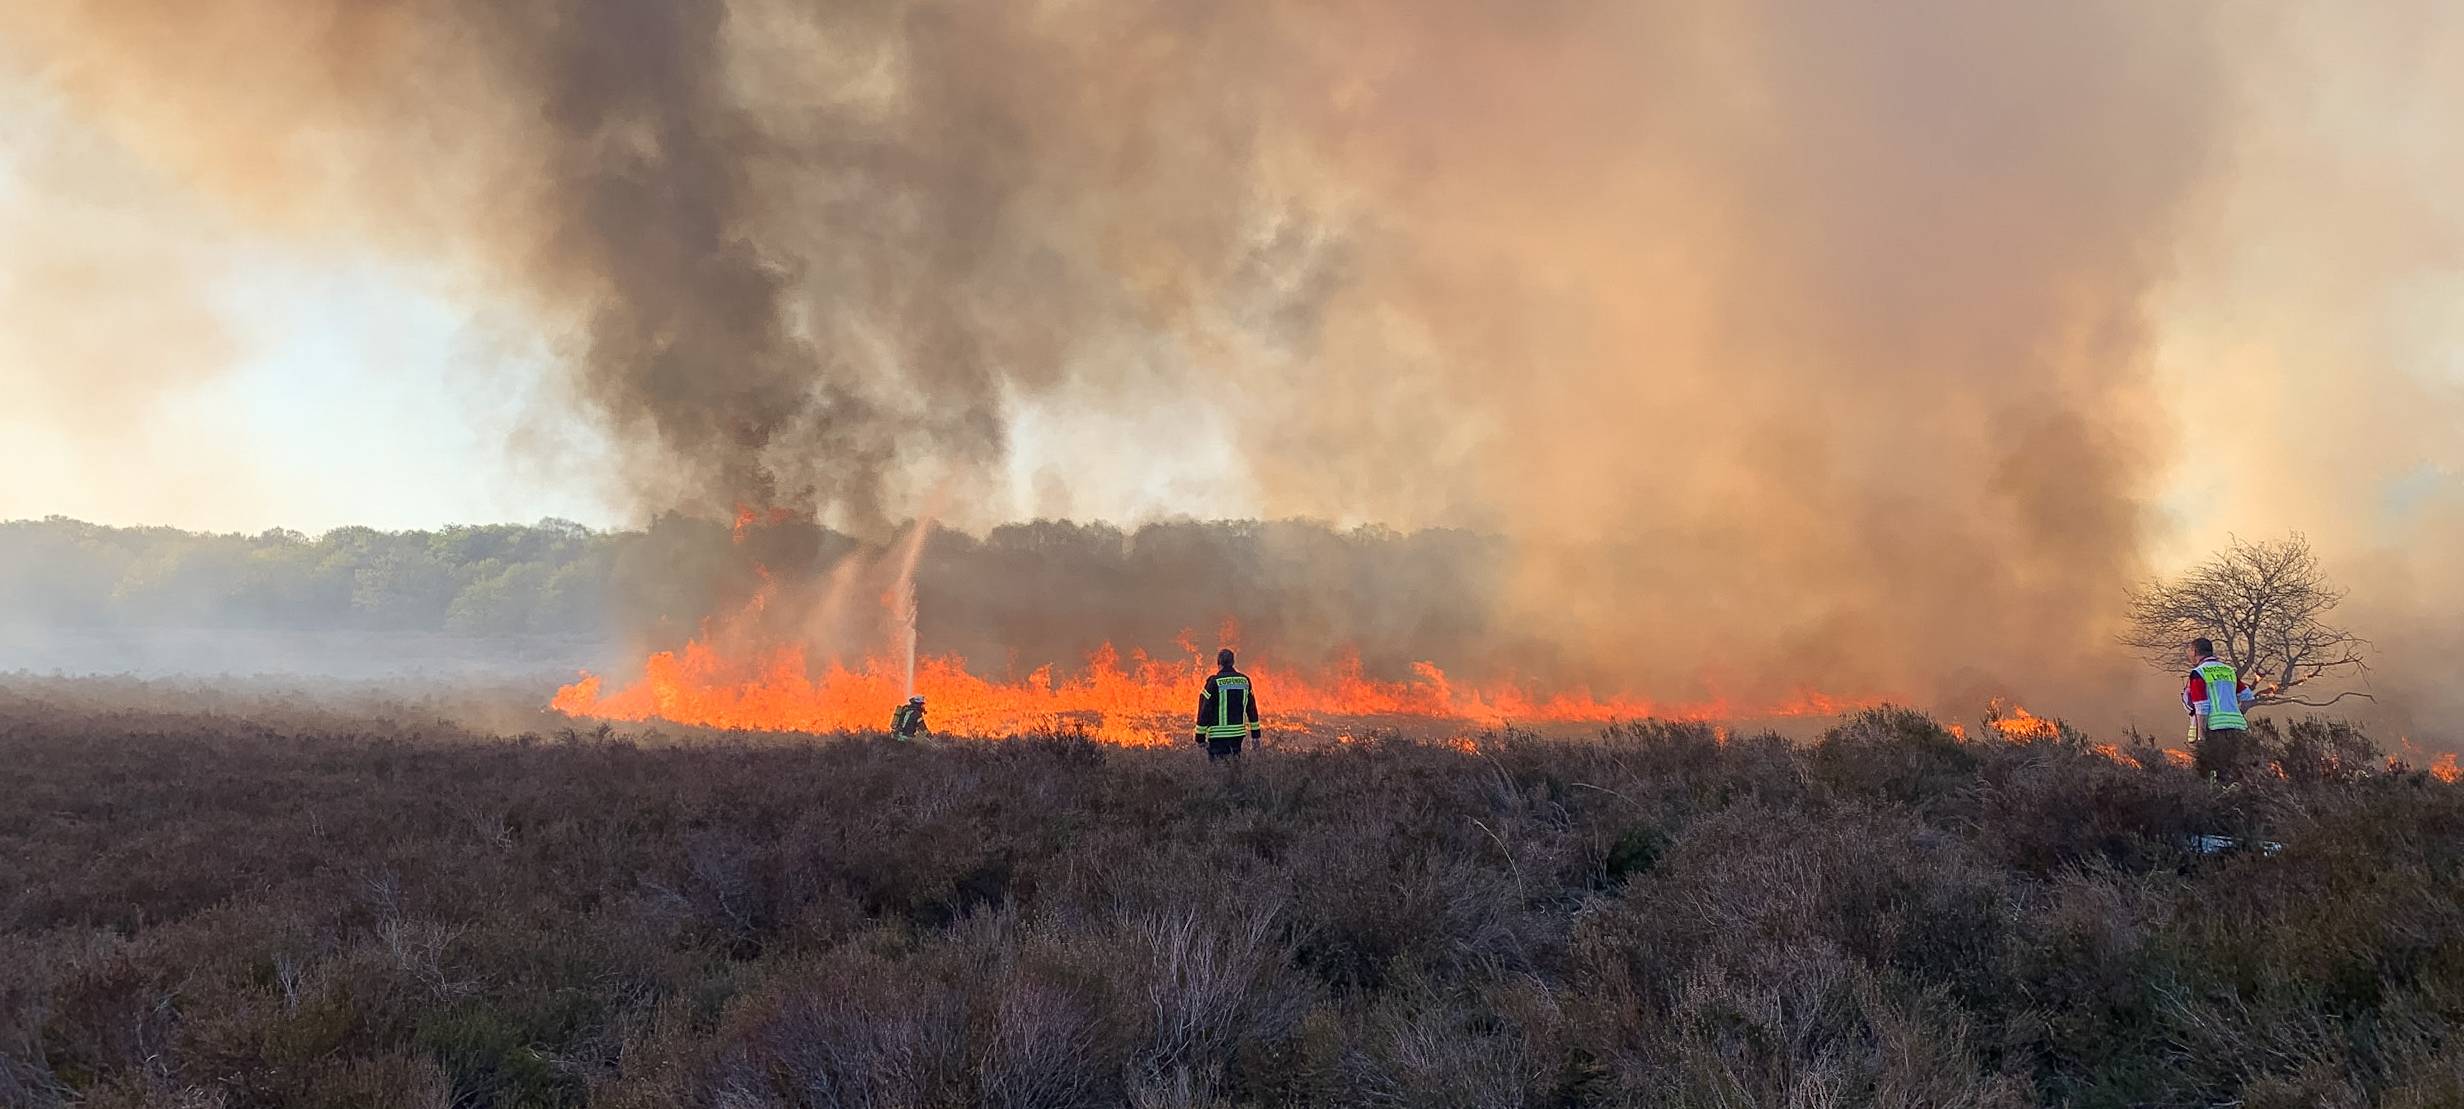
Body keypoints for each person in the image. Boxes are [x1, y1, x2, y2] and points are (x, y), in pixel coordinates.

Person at [2183, 637, 2255, 748]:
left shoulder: (2198, 673)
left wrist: (2201, 737)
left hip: (2213, 730)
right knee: (2235, 764)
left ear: (2195, 652)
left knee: (2214, 764)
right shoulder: (2229, 670)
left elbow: (2201, 706)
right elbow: (2248, 697)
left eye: (2190, 651)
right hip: (2236, 728)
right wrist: (2238, 713)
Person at [1194, 648, 1261, 761]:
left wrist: (1200, 737)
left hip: (1218, 737)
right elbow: (1252, 710)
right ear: (1233, 662)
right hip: (1237, 735)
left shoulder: (1214, 682)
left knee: (1218, 769)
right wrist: (1256, 736)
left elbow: (1205, 710)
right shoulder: (1245, 681)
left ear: (1218, 663)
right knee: (1234, 766)